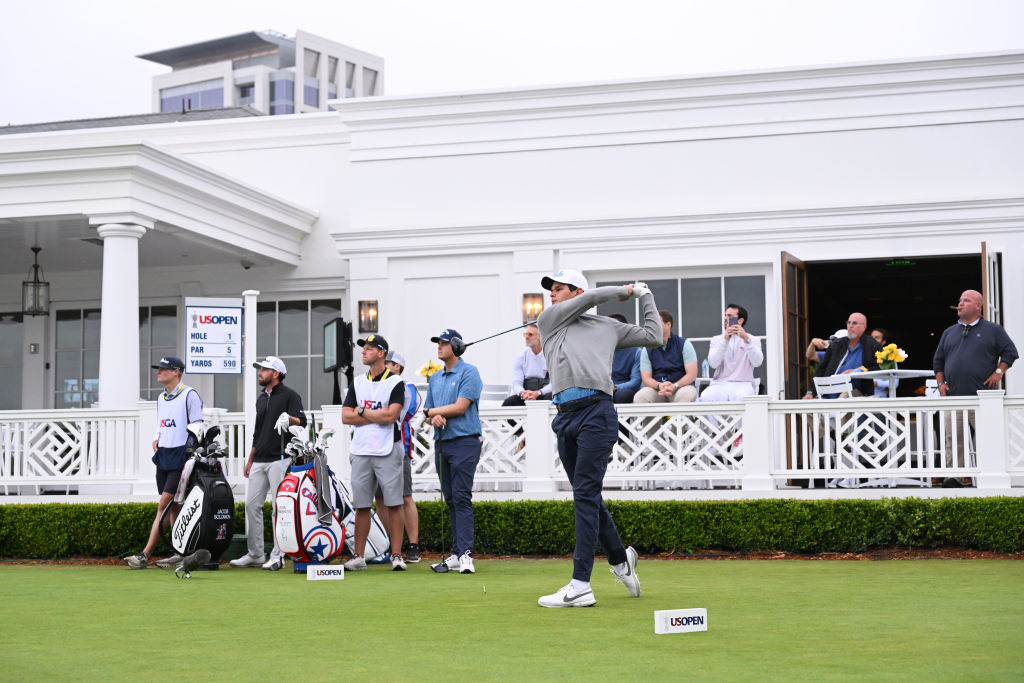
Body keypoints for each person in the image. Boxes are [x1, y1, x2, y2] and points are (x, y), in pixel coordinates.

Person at [535, 268, 661, 608]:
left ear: (574, 291)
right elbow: (592, 298)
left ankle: (580, 585)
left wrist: (645, 296)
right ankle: (621, 561)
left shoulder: (607, 327)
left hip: (598, 413)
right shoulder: (549, 320)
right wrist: (625, 290)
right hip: (565, 417)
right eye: (552, 289)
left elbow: (654, 335)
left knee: (586, 494)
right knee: (586, 494)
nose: (552, 294)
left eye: (559, 289)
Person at [933, 289, 1018, 486]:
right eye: (960, 300)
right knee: (953, 440)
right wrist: (940, 383)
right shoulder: (949, 332)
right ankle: (956, 477)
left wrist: (998, 372)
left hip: (983, 398)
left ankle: (988, 477)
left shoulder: (993, 330)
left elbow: (1010, 353)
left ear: (978, 306)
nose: (960, 303)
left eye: (966, 300)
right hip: (954, 396)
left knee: (987, 440)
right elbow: (938, 362)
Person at [125, 356, 204, 569]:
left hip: (181, 458)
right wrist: (157, 437)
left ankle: (144, 555)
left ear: (177, 372)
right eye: (158, 369)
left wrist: (189, 454)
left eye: (164, 369)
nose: (159, 372)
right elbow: (163, 423)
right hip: (164, 456)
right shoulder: (162, 398)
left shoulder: (190, 395)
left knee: (164, 505)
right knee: (173, 508)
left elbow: (197, 427)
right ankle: (180, 553)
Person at [230, 356, 306, 571]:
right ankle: (255, 554)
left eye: (264, 369)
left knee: (278, 508)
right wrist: (250, 458)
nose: (260, 372)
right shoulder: (261, 398)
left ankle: (278, 554)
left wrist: (288, 419)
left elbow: (303, 421)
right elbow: (258, 431)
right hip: (260, 459)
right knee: (251, 506)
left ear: (276, 374)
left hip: (280, 457)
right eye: (260, 369)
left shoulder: (291, 395)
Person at [341, 335, 409, 571]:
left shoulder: (395, 383)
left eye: (369, 349)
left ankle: (397, 555)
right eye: (364, 348)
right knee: (361, 505)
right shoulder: (358, 382)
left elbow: (391, 416)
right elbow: (345, 416)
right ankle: (359, 556)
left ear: (381, 353)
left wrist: (362, 412)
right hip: (361, 449)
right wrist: (373, 415)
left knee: (394, 503)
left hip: (388, 447)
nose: (364, 352)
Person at [423, 328, 483, 574]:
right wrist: (433, 418)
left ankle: (466, 553)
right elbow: (427, 412)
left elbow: (460, 407)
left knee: (461, 497)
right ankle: (457, 553)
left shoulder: (470, 372)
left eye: (444, 343)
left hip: (465, 442)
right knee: (450, 499)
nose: (439, 346)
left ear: (456, 346)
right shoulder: (435, 378)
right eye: (437, 342)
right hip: (443, 444)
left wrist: (435, 413)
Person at [371, 350, 422, 563]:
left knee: (404, 496)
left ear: (397, 367)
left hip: (399, 447)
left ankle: (413, 545)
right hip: (375, 448)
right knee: (380, 499)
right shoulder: (374, 385)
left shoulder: (406, 386)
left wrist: (380, 411)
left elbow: (405, 411)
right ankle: (389, 545)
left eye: (388, 363)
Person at [802, 313, 881, 398]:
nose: (850, 326)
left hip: (855, 393)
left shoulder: (872, 345)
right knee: (807, 406)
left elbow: (879, 367)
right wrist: (810, 392)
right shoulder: (837, 344)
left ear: (864, 327)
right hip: (828, 393)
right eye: (848, 322)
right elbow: (822, 369)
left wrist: (857, 371)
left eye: (854, 323)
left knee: (844, 397)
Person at [698, 304, 764, 402]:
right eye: (725, 315)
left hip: (743, 384)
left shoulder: (753, 339)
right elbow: (713, 363)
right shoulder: (717, 339)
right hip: (720, 384)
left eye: (729, 316)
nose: (725, 318)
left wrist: (746, 340)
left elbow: (757, 362)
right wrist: (725, 340)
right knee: (707, 396)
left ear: (740, 321)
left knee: (742, 398)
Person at [633, 310, 698, 403]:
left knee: (685, 395)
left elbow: (692, 374)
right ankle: (651, 419)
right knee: (640, 397)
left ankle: (678, 418)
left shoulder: (684, 344)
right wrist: (659, 385)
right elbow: (646, 378)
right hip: (658, 390)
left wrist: (675, 386)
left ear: (668, 325)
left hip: (681, 387)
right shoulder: (647, 349)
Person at [501, 323, 552, 405]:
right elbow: (517, 383)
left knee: (554, 399)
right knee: (508, 403)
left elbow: (554, 384)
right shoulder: (521, 356)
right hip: (526, 395)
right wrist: (523, 393)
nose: (527, 337)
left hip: (544, 394)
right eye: (525, 334)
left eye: (530, 334)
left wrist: (538, 393)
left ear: (540, 336)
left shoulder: (550, 355)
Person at [608, 313, 642, 404]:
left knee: (621, 396)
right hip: (604, 388)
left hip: (624, 389)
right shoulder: (600, 351)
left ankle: (622, 419)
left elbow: (636, 381)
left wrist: (616, 387)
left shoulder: (636, 351)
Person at [869, 328, 898, 397]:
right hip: (860, 398)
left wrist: (876, 383)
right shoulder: (862, 354)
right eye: (871, 337)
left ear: (883, 342)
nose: (872, 340)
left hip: (880, 399)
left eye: (877, 338)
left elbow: (895, 383)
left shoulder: (889, 358)